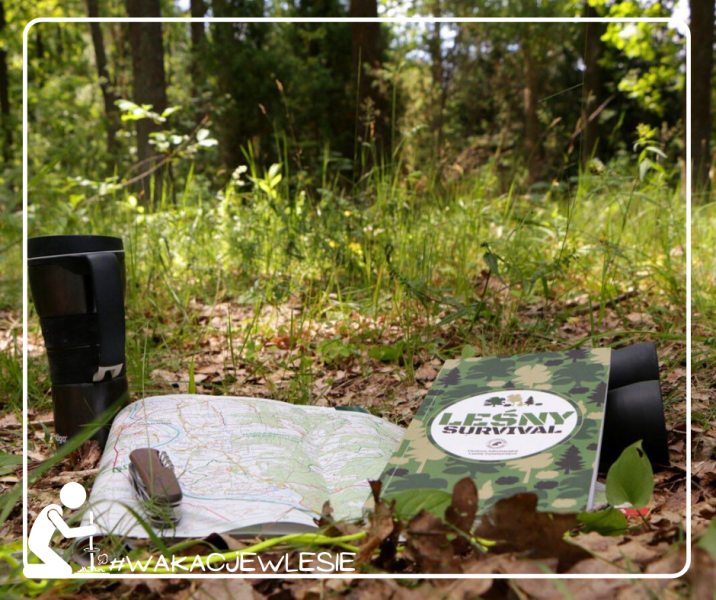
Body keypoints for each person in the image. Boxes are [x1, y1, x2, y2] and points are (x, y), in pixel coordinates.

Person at [23, 482, 96, 578]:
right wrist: (90, 530)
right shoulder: (53, 511)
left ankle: (31, 571)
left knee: (62, 568)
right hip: (38, 545)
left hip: (41, 544)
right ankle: (27, 572)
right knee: (65, 570)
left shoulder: (55, 509)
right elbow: (67, 532)